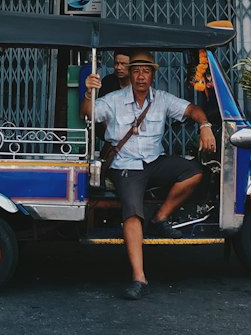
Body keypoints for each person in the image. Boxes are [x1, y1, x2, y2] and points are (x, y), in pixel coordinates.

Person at [81, 49, 216, 300]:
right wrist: (89, 92)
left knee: (195, 172)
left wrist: (205, 125)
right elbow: (88, 114)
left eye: (146, 71)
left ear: (153, 74)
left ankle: (160, 218)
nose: (141, 76)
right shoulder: (114, 99)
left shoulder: (162, 99)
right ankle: (139, 277)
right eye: (136, 71)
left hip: (154, 162)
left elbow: (192, 110)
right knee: (132, 212)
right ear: (130, 74)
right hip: (125, 166)